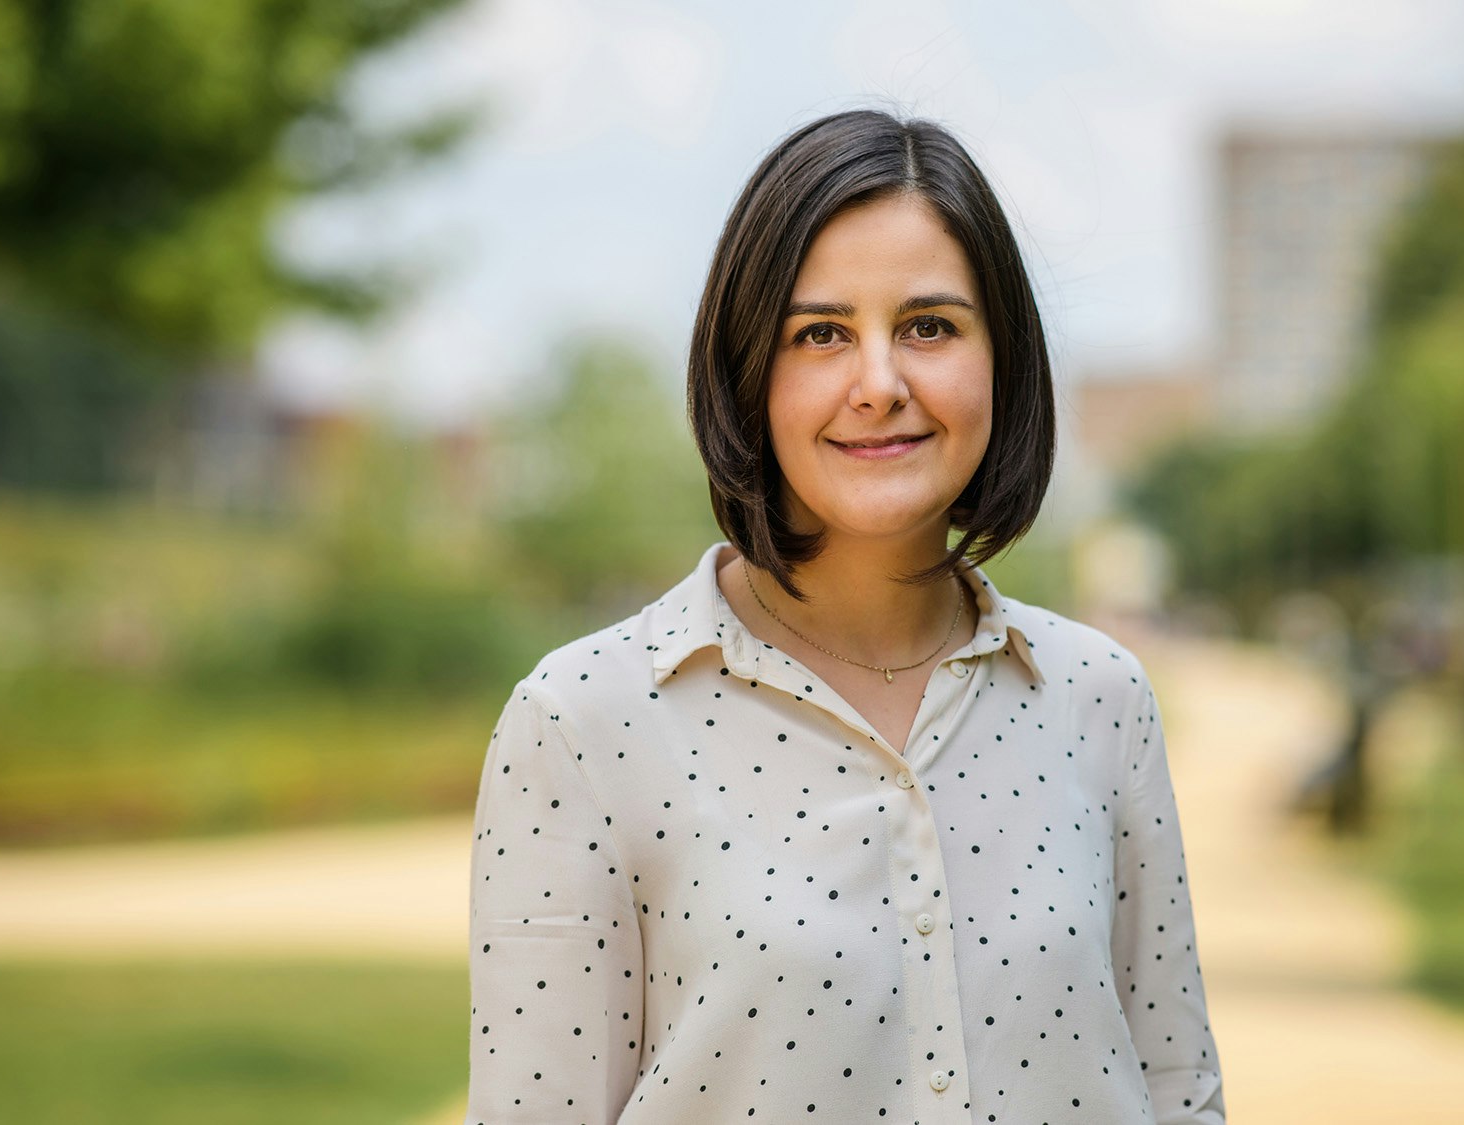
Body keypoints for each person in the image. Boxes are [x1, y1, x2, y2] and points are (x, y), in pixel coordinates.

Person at [465, 108, 1226, 1124]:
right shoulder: (581, 725)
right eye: (818, 334)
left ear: (1001, 359)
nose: (879, 385)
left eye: (929, 327)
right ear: (746, 369)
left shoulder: (1100, 701)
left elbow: (1178, 1091)